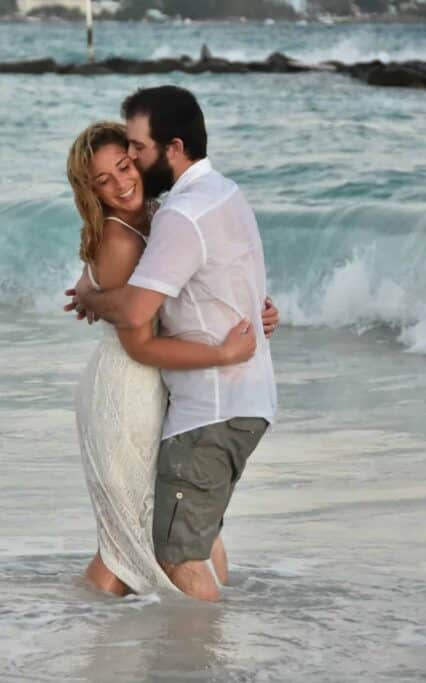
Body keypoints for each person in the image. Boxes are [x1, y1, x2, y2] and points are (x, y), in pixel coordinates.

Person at [67, 87, 278, 602]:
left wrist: (255, 312)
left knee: (158, 536)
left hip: (178, 390)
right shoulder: (201, 203)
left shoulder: (170, 214)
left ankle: (96, 622)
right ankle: (88, 625)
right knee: (138, 537)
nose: (125, 176)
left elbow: (184, 288)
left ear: (168, 149)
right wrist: (223, 349)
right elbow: (137, 325)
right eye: (104, 179)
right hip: (139, 387)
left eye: (130, 158)